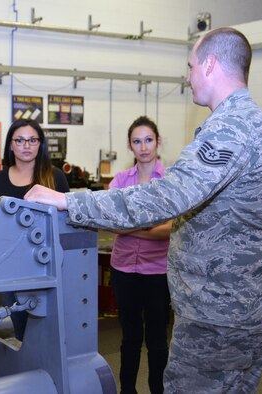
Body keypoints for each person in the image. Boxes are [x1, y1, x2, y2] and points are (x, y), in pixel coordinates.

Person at [25, 27, 262, 393]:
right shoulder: (254, 122)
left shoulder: (231, 127)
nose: (188, 76)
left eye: (191, 65)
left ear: (210, 65)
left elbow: (164, 197)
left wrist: (69, 200)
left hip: (221, 312)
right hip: (241, 304)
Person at [0, 118, 69, 341]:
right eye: (20, 140)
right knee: (21, 329)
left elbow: (66, 222)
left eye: (32, 140)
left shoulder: (55, 177)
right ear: (11, 145)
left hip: (48, 266)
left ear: (40, 144)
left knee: (52, 330)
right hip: (11, 268)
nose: (26, 145)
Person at [108, 116, 171, 394]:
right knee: (130, 338)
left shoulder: (170, 181)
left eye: (148, 140)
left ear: (158, 141)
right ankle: (128, 390)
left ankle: (158, 389)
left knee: (157, 339)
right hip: (124, 271)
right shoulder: (120, 180)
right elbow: (110, 222)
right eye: (137, 141)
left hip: (158, 272)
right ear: (130, 146)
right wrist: (148, 226)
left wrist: (129, 227)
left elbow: (168, 230)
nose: (143, 147)